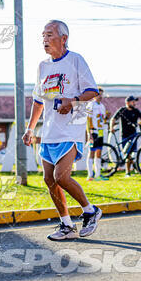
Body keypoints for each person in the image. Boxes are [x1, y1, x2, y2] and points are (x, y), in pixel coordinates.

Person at [22, 20, 102, 241]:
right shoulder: (43, 66)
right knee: (49, 179)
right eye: (43, 36)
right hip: (49, 131)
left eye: (49, 35)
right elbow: (38, 102)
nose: (45, 40)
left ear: (63, 38)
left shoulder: (76, 60)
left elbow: (92, 91)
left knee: (61, 176)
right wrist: (30, 129)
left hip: (71, 129)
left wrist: (73, 100)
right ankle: (66, 224)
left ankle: (90, 210)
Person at [110, 95, 141, 176]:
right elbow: (113, 119)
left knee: (132, 154)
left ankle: (131, 169)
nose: (134, 103)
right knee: (128, 154)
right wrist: (111, 127)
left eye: (134, 102)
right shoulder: (122, 110)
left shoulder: (136, 111)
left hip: (133, 135)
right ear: (127, 102)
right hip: (124, 135)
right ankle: (129, 172)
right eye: (133, 102)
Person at [86, 87, 109, 180]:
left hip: (100, 132)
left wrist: (106, 118)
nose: (100, 96)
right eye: (99, 94)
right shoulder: (91, 105)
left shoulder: (102, 106)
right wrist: (89, 132)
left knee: (99, 152)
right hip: (93, 131)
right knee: (91, 152)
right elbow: (88, 119)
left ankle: (98, 174)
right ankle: (90, 175)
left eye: (101, 94)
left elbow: (102, 120)